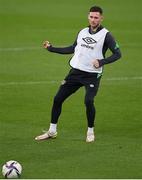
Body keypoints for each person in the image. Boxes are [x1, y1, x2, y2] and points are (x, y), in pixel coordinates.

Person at [35, 5, 121, 142]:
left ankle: (90, 131)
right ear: (88, 17)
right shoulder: (82, 32)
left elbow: (118, 54)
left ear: (101, 18)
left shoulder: (106, 35)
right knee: (57, 99)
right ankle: (52, 131)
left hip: (92, 75)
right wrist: (51, 49)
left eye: (96, 17)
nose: (93, 20)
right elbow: (72, 48)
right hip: (75, 73)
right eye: (91, 17)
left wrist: (101, 61)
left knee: (88, 101)